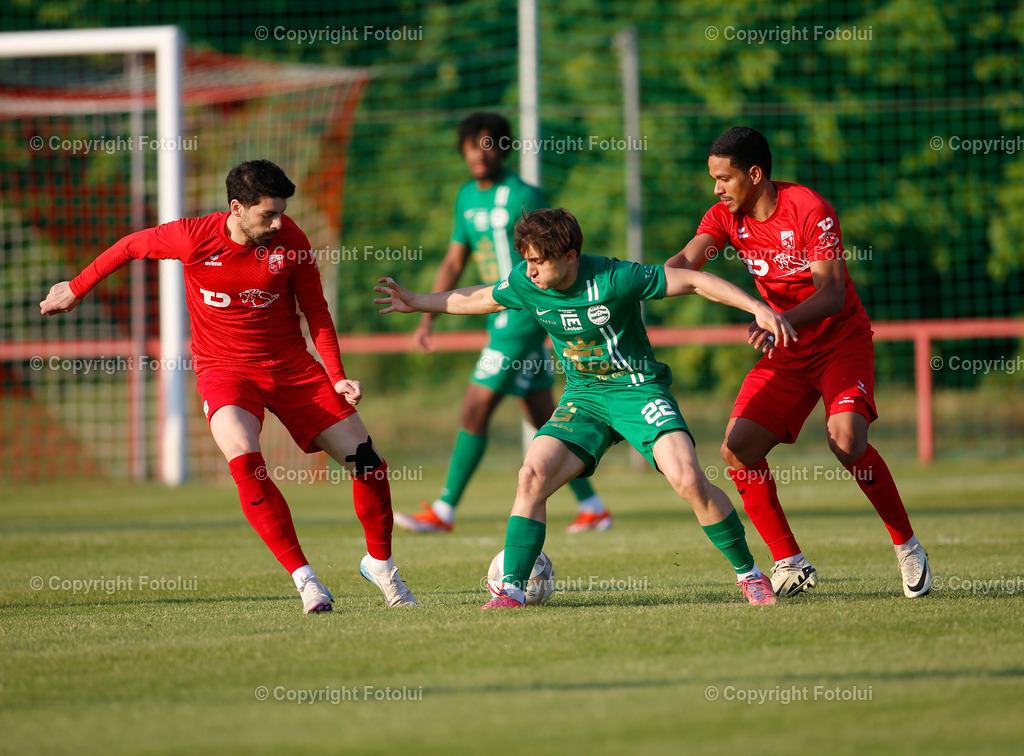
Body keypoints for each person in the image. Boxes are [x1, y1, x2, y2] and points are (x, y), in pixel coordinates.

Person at [40, 159, 416, 614]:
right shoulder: (193, 236)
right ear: (236, 208)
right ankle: (307, 581)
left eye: (281, 212)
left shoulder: (290, 241)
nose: (279, 223)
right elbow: (129, 246)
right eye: (268, 215)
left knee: (369, 465)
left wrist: (336, 377)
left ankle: (381, 566)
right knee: (245, 458)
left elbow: (316, 311)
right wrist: (76, 288)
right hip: (226, 371)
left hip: (293, 368)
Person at [376, 207, 798, 608]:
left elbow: (692, 281)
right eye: (527, 261)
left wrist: (757, 307)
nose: (531, 270)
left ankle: (750, 575)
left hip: (639, 390)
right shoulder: (527, 281)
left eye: (540, 261)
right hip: (584, 397)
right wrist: (416, 301)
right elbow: (480, 298)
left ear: (571, 256)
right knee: (531, 474)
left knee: (688, 478)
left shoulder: (615, 277)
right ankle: (512, 591)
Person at [666, 126, 932, 599]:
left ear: (754, 174)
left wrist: (776, 319)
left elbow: (831, 294)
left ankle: (907, 545)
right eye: (713, 178)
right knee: (737, 449)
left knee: (847, 442)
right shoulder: (724, 218)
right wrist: (626, 285)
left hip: (839, 342)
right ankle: (789, 561)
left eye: (724, 178)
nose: (716, 188)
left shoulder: (810, 210)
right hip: (785, 350)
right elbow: (685, 264)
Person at [394, 112, 612, 535]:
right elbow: (456, 258)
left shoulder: (524, 194)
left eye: (489, 143)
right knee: (544, 412)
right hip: (499, 315)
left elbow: (553, 253)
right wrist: (426, 315)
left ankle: (445, 509)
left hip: (522, 316)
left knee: (475, 408)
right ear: (462, 149)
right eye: (472, 144)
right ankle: (594, 506)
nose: (479, 152)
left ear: (503, 148)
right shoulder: (464, 197)